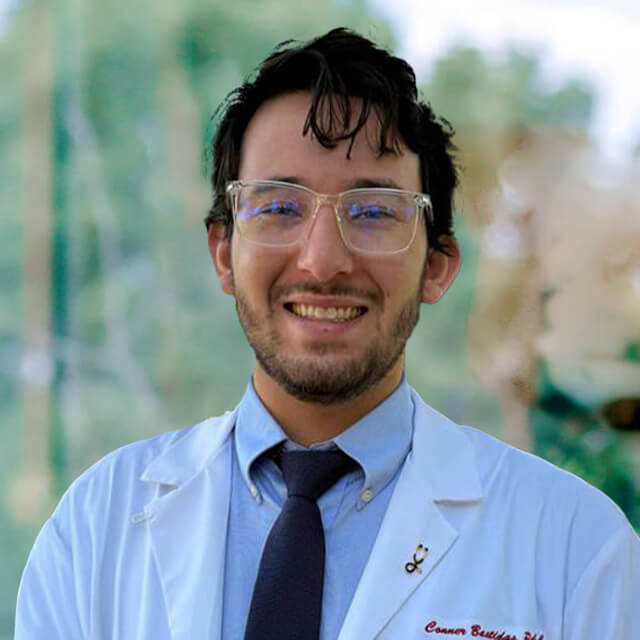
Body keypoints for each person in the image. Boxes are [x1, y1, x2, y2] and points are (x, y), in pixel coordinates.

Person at [16, 28, 639, 640]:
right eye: (279, 207)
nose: (322, 262)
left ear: (438, 266)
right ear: (223, 254)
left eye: (373, 212)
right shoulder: (93, 529)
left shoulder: (577, 549)